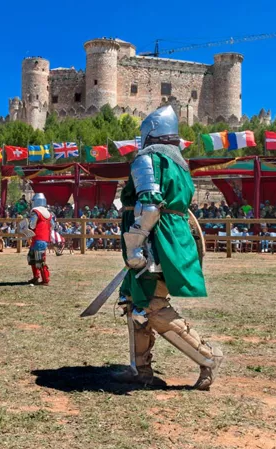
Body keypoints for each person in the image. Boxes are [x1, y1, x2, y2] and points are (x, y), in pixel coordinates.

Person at [116, 105, 223, 391]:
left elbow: (149, 206)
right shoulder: (179, 164)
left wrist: (136, 247)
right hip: (168, 236)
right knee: (133, 302)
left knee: (151, 305)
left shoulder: (147, 159)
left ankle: (209, 358)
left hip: (155, 239)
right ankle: (141, 369)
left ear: (150, 133)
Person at [26, 193, 53, 285]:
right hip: (43, 239)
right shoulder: (49, 213)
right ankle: (36, 277)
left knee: (40, 260)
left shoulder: (36, 211)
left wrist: (26, 227)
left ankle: (45, 280)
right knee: (33, 258)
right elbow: (53, 225)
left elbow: (32, 225)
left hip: (37, 238)